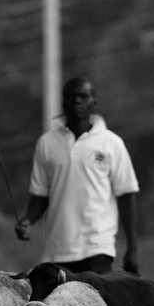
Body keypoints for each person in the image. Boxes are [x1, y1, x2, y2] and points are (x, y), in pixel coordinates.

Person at [14, 76, 140, 275]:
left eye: (83, 96)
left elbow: (126, 195)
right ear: (63, 102)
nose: (77, 101)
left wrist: (132, 248)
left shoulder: (111, 143)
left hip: (97, 248)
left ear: (94, 103)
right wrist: (28, 220)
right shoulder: (47, 143)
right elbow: (41, 195)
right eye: (71, 97)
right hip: (57, 251)